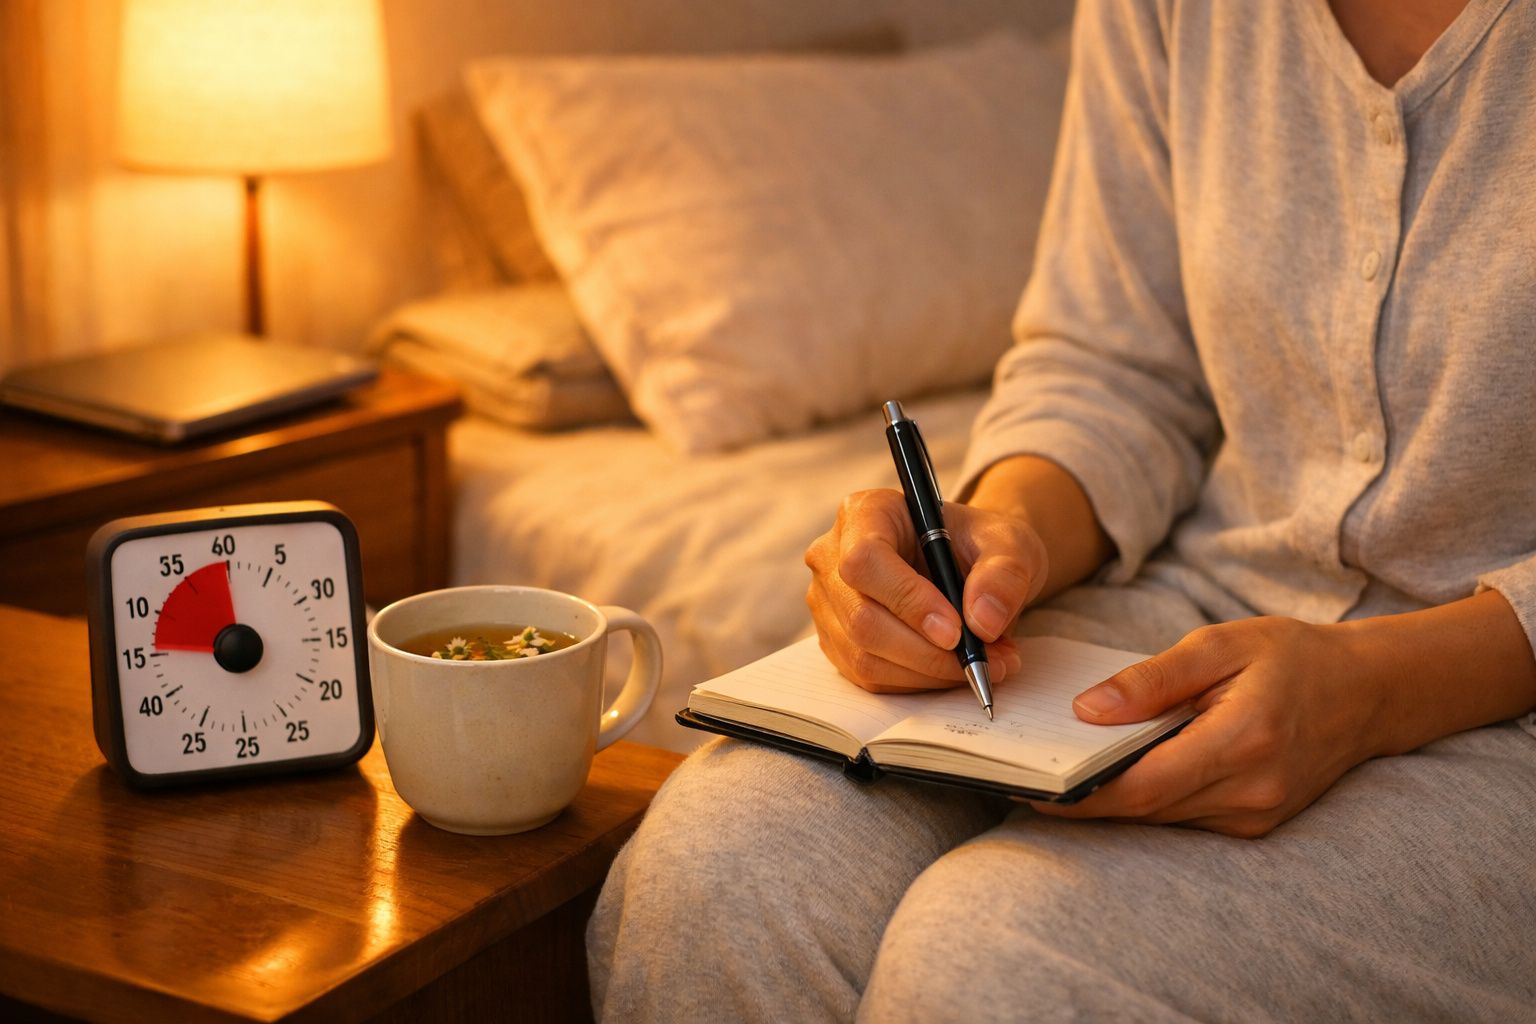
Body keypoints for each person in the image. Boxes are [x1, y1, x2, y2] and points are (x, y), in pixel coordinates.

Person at [587, 0, 1536, 1019]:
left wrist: (1375, 690)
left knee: (995, 963)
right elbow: (1114, 360)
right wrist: (1010, 530)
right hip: (1205, 600)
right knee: (724, 870)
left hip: (1503, 698)